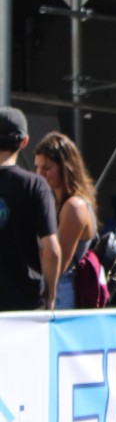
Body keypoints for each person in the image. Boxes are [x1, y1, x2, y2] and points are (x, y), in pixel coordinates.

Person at [0, 106, 61, 311]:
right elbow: (52, 249)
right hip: (25, 302)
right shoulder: (35, 185)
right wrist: (50, 294)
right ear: (24, 141)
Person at [33, 131, 98, 309]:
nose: (40, 174)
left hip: (60, 291)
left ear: (66, 168)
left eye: (47, 168)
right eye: (37, 168)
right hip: (52, 288)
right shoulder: (54, 202)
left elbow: (58, 265)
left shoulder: (74, 206)